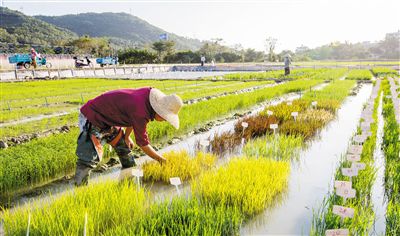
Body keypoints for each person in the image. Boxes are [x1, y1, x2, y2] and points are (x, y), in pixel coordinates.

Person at [74, 87, 183, 186]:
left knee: (124, 149)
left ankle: (127, 183)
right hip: (94, 116)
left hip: (110, 119)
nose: (165, 120)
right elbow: (143, 144)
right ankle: (80, 189)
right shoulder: (141, 111)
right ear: (159, 111)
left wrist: (127, 137)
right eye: (165, 117)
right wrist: (162, 160)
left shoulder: (147, 98)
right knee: (88, 159)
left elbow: (131, 115)